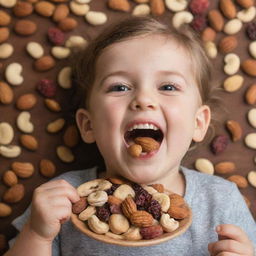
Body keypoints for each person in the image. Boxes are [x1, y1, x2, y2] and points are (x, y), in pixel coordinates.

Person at [5, 17, 256, 256]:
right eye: (120, 87)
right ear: (88, 125)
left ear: (197, 123)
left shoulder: (220, 200)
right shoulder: (65, 197)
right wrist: (37, 235)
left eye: (168, 87)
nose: (143, 99)